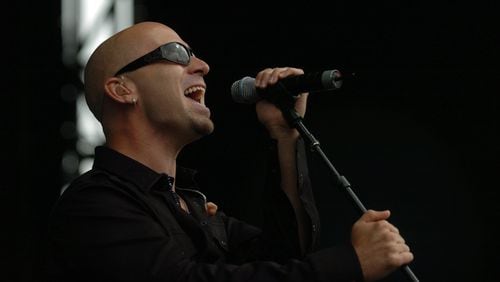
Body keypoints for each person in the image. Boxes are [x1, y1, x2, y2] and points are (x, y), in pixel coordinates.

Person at [46, 21, 413, 282]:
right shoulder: (95, 204)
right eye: (177, 53)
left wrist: (284, 136)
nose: (202, 66)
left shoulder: (189, 204)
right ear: (122, 90)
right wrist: (350, 263)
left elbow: (283, 258)